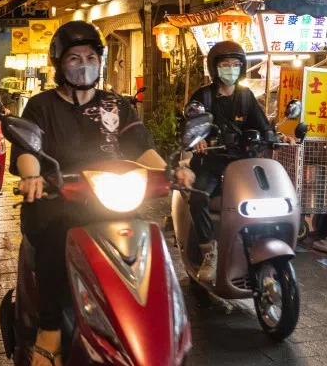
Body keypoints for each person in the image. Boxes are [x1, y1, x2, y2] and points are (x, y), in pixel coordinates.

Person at [12, 21, 194, 366]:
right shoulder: (41, 106)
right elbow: (26, 149)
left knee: (144, 238)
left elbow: (142, 148)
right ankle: (50, 329)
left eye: (91, 57)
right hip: (59, 201)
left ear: (101, 61)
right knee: (54, 239)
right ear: (58, 64)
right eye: (74, 58)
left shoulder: (116, 105)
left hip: (109, 200)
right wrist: (33, 176)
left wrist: (171, 171)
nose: (84, 64)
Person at [186, 40, 293, 284]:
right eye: (225, 64)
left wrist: (280, 136)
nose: (231, 69)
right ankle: (208, 251)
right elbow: (190, 125)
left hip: (242, 164)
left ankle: (262, 238)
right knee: (199, 196)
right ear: (215, 68)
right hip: (211, 163)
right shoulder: (203, 96)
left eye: (236, 64)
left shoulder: (246, 97)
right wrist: (197, 140)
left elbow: (263, 126)